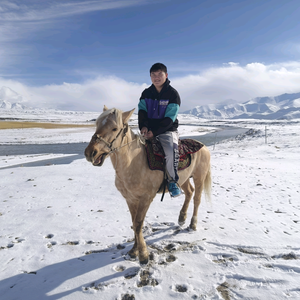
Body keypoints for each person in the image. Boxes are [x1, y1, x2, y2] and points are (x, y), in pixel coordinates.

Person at [138, 63, 182, 197]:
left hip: (167, 130)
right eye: (153, 75)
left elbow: (169, 118)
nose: (156, 78)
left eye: (160, 75)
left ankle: (173, 181)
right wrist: (144, 127)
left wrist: (155, 132)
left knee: (170, 150)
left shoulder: (172, 94)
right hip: (149, 130)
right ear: (150, 76)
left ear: (166, 75)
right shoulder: (146, 93)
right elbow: (142, 112)